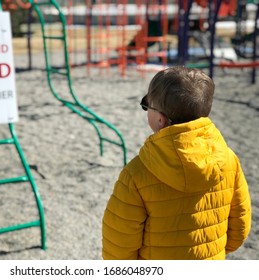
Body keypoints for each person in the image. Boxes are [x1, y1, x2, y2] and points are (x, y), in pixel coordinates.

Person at [102, 66, 251, 260]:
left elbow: (119, 245)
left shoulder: (137, 173)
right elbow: (239, 228)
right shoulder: (229, 160)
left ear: (160, 119)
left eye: (147, 106)